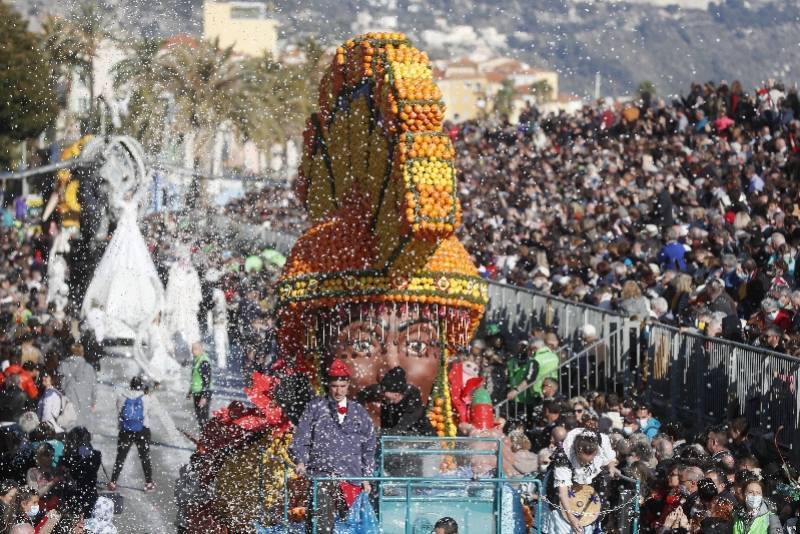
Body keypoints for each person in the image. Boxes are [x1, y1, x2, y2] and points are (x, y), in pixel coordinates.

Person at [290, 359, 376, 534]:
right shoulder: (315, 407)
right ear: (329, 385)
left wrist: (366, 477)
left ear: (348, 385)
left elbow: (369, 446)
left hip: (352, 477)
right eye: (335, 386)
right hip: (323, 474)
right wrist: (300, 461)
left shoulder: (359, 411)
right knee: (320, 524)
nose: (339, 391)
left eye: (342, 386)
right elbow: (302, 436)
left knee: (353, 525)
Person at [545, 428, 616, 534]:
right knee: (563, 525)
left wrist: (611, 466)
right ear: (577, 452)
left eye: (590, 461)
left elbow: (609, 458)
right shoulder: (564, 455)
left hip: (587, 490)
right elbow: (562, 491)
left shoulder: (600, 441)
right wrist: (571, 517)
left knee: (586, 523)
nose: (585, 464)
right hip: (560, 489)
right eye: (582, 461)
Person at [108, 376, 155, 492]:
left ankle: (113, 482)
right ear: (141, 386)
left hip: (126, 430)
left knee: (120, 457)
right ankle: (148, 483)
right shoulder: (145, 398)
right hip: (142, 429)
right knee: (144, 457)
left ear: (130, 385)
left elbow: (119, 410)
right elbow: (150, 412)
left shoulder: (122, 396)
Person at [356, 366, 432, 436]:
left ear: (396, 394)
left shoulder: (413, 402)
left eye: (385, 395)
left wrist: (375, 433)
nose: (381, 396)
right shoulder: (385, 391)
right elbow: (363, 393)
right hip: (392, 431)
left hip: (419, 437)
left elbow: (399, 429)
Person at [57, 344, 96, 429]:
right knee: (82, 429)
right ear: (82, 352)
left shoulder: (63, 365)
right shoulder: (89, 368)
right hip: (85, 402)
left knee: (68, 426)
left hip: (68, 402)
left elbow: (61, 385)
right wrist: (93, 401)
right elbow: (93, 387)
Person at [187, 342, 212, 429]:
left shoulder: (203, 361)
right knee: (199, 417)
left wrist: (204, 396)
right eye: (192, 349)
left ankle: (207, 437)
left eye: (195, 349)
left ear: (201, 350)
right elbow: (194, 378)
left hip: (203, 392)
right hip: (197, 392)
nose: (193, 351)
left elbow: (207, 380)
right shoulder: (196, 359)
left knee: (203, 417)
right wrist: (190, 391)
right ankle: (203, 436)